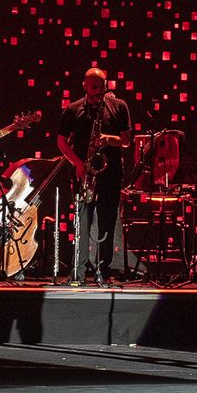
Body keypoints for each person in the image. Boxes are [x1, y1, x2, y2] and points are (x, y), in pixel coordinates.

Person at [57, 67, 132, 286]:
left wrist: (107, 139)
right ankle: (78, 270)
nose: (98, 95)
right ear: (84, 86)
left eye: (101, 90)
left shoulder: (119, 106)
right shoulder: (73, 109)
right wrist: (78, 163)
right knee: (82, 222)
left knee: (107, 222)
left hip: (110, 174)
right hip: (84, 173)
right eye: (93, 91)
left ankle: (103, 269)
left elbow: (126, 141)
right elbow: (61, 142)